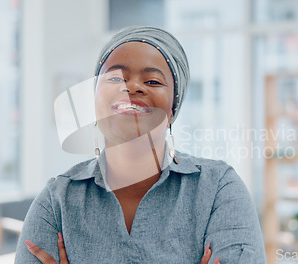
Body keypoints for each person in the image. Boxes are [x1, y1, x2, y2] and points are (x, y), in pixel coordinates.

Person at [14, 26, 266, 263]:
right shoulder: (57, 200)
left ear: (173, 107)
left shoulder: (218, 189)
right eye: (114, 78)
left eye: (153, 81)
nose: (131, 87)